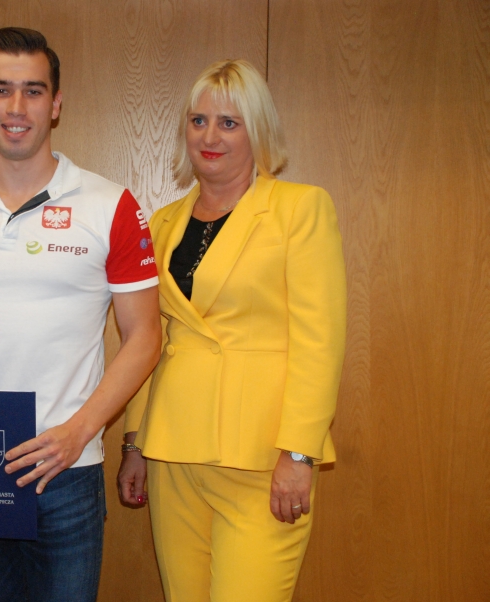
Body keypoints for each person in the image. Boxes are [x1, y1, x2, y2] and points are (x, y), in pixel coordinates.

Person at [0, 27, 161, 602]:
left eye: (33, 90)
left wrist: (79, 432)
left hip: (67, 466)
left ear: (56, 103)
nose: (17, 107)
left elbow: (145, 337)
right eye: (1, 89)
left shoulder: (110, 205)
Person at [117, 59, 347, 602]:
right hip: (173, 450)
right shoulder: (163, 222)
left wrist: (299, 454)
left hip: (263, 458)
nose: (210, 137)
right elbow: (150, 340)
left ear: (257, 130)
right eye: (198, 121)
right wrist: (134, 440)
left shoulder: (299, 209)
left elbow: (320, 342)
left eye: (229, 123)